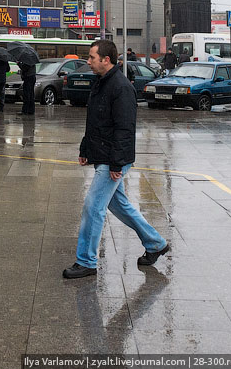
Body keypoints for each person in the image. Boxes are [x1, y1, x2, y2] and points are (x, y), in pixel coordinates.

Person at [63, 39, 169, 279]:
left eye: (92, 57)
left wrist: (117, 163)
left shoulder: (121, 87)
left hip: (113, 157)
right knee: (117, 204)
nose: (88, 62)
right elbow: (96, 121)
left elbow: (125, 128)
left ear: (106, 60)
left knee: (93, 207)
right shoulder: (101, 82)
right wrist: (85, 148)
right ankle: (156, 244)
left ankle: (86, 261)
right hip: (103, 153)